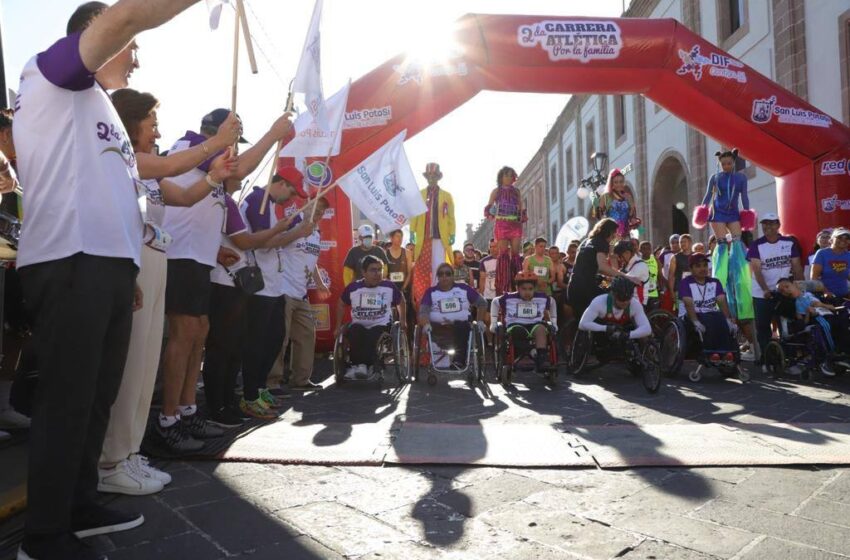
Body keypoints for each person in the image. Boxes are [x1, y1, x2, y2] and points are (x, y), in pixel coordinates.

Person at [12, 1, 209, 558]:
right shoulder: (53, 72)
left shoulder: (97, 105)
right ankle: (43, 536)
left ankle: (79, 503)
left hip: (106, 265)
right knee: (67, 400)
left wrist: (127, 268)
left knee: (96, 398)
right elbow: (125, 19)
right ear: (92, 36)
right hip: (69, 259)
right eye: (133, 48)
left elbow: (113, 191)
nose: (138, 58)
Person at [98, 88, 240, 493]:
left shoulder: (154, 172)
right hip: (137, 259)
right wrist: (217, 142)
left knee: (144, 363)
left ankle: (127, 452)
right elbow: (177, 163)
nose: (157, 130)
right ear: (131, 124)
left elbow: (185, 195)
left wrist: (214, 175)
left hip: (156, 257)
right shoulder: (130, 160)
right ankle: (111, 458)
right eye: (151, 123)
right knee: (131, 364)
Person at [155, 105, 294, 450]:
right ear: (214, 132)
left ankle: (187, 411)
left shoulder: (213, 167)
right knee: (185, 334)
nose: (234, 147)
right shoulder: (187, 146)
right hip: (181, 257)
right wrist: (274, 134)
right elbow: (240, 167)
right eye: (233, 137)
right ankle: (168, 418)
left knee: (199, 333)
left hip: (199, 259)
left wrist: (215, 251)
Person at [239, 167, 320, 418]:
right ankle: (250, 395)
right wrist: (296, 233)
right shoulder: (258, 201)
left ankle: (259, 388)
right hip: (259, 284)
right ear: (282, 183)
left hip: (273, 285)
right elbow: (264, 243)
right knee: (257, 343)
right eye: (292, 191)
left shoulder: (269, 205)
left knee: (274, 338)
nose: (293, 198)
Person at [693, 149, 755, 323]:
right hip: (718, 214)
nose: (726, 166)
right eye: (724, 164)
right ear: (720, 164)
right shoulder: (715, 177)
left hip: (733, 214)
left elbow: (744, 196)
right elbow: (707, 196)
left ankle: (740, 280)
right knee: (721, 246)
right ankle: (719, 282)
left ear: (733, 162)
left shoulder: (741, 178)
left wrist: (748, 212)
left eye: (729, 163)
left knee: (737, 244)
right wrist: (703, 211)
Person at [277, 197, 331, 392]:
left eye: (322, 212)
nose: (319, 214)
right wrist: (298, 231)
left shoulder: (316, 232)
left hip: (301, 292)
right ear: (306, 207)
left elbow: (311, 259)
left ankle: (300, 379)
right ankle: (272, 382)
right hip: (282, 289)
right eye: (316, 209)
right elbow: (277, 243)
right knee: (280, 337)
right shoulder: (293, 222)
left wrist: (319, 282)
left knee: (307, 335)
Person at [337, 255, 407, 379]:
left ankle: (368, 365)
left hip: (381, 324)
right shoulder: (353, 288)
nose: (377, 273)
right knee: (355, 331)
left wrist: (402, 320)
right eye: (373, 270)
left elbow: (401, 301)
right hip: (359, 324)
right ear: (363, 272)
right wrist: (338, 326)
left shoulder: (388, 286)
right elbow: (341, 303)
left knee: (375, 334)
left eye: (379, 270)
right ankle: (360, 365)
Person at [747, 212, 803, 366]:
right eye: (765, 223)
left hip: (784, 292)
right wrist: (765, 289)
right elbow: (757, 270)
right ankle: (767, 357)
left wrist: (801, 289)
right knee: (763, 327)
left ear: (778, 225)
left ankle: (790, 358)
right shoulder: (756, 245)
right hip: (762, 293)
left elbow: (797, 267)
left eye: (771, 223)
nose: (768, 226)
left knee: (787, 326)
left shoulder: (789, 243)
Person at [776, 278, 850, 376]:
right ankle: (830, 357)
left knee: (844, 324)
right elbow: (803, 322)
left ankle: (844, 352)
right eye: (782, 291)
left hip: (828, 314)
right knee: (826, 327)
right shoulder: (798, 303)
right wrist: (808, 313)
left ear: (794, 284)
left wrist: (826, 304)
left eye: (787, 286)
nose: (786, 290)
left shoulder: (808, 294)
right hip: (819, 318)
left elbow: (818, 302)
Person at [418, 263, 487, 368]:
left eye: (448, 273)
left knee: (461, 326)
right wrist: (426, 324)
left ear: (453, 276)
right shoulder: (431, 292)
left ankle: (458, 361)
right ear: (437, 277)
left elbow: (482, 303)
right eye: (441, 274)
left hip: (461, 329)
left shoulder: (464, 288)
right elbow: (423, 312)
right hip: (438, 330)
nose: (444, 276)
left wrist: (480, 321)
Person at [411, 163, 455, 303]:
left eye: (434, 175)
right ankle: (424, 297)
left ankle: (439, 297)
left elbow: (451, 217)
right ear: (426, 177)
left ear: (438, 177)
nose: (431, 178)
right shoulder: (420, 194)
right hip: (423, 238)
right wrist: (412, 230)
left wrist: (452, 232)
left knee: (439, 267)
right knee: (422, 269)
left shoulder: (446, 196)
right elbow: (415, 214)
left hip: (439, 237)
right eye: (429, 175)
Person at [567, 218, 627, 322]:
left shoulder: (585, 242)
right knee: (608, 305)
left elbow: (589, 267)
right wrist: (624, 276)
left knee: (582, 322)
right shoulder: (601, 243)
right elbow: (602, 267)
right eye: (614, 233)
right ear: (608, 231)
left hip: (573, 287)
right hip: (586, 289)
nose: (614, 236)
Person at [678, 253, 739, 353]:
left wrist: (728, 320)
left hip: (711, 313)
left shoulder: (715, 282)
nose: (703, 269)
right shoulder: (686, 282)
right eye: (698, 266)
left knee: (720, 318)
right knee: (708, 320)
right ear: (691, 269)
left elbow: (722, 301)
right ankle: (711, 352)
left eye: (705, 265)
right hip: (690, 315)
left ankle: (727, 352)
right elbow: (688, 303)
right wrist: (695, 322)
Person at [498, 272, 557, 372]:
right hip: (515, 324)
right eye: (524, 289)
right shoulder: (508, 298)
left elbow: (552, 304)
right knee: (517, 331)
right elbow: (495, 302)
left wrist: (553, 322)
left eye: (530, 289)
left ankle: (542, 358)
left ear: (535, 289)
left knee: (541, 329)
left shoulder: (542, 297)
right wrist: (494, 321)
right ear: (517, 288)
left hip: (535, 324)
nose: (527, 292)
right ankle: (527, 353)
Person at [578, 276, 652, 347]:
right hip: (604, 331)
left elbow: (647, 329)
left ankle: (649, 354)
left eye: (628, 298)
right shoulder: (599, 302)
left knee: (641, 333)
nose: (625, 302)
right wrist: (606, 328)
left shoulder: (634, 303)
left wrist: (627, 335)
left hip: (625, 331)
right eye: (621, 298)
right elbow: (582, 324)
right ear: (613, 295)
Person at [485, 166, 525, 294]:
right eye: (505, 175)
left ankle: (518, 282)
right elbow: (489, 207)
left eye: (510, 175)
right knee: (503, 254)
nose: (508, 178)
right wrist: (492, 213)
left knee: (515, 253)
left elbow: (521, 207)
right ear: (501, 177)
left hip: (515, 225)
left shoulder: (516, 191)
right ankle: (504, 285)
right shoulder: (496, 191)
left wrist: (521, 215)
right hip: (502, 224)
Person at [591, 169, 639, 239]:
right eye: (616, 182)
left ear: (624, 182)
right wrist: (595, 203)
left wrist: (633, 220)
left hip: (625, 233)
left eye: (621, 182)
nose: (619, 184)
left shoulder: (628, 197)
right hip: (611, 233)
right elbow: (598, 215)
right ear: (612, 183)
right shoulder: (606, 196)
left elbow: (632, 216)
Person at [811, 228, 850, 299]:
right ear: (831, 240)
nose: (843, 240)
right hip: (824, 297)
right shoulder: (822, 253)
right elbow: (814, 277)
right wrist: (825, 292)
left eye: (847, 238)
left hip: (845, 295)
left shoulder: (848, 255)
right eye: (840, 237)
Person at [615, 240, 650, 307]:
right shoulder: (628, 264)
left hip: (638, 302)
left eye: (620, 256)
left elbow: (624, 280)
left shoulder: (640, 265)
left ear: (627, 253)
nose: (619, 259)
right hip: (627, 300)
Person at [667, 233, 694, 312]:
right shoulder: (675, 257)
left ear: (690, 243)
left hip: (694, 288)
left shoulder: (696, 256)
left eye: (684, 242)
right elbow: (671, 276)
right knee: (682, 313)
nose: (682, 244)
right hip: (680, 289)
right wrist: (672, 292)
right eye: (680, 242)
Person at [658, 234, 680, 311]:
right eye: (672, 243)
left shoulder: (684, 254)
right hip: (667, 287)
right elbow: (658, 270)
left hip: (680, 287)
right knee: (667, 310)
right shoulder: (665, 255)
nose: (675, 245)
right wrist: (665, 282)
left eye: (677, 242)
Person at [385, 229, 412, 295]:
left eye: (401, 237)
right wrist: (390, 287)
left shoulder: (407, 252)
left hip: (404, 287)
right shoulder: (385, 253)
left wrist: (404, 287)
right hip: (390, 288)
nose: (400, 239)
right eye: (397, 236)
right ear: (391, 238)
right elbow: (384, 275)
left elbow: (409, 273)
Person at [640, 241, 660, 310]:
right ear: (640, 250)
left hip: (654, 294)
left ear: (651, 250)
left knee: (654, 317)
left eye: (648, 249)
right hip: (642, 295)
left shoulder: (655, 260)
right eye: (644, 249)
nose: (646, 251)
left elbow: (660, 275)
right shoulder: (638, 261)